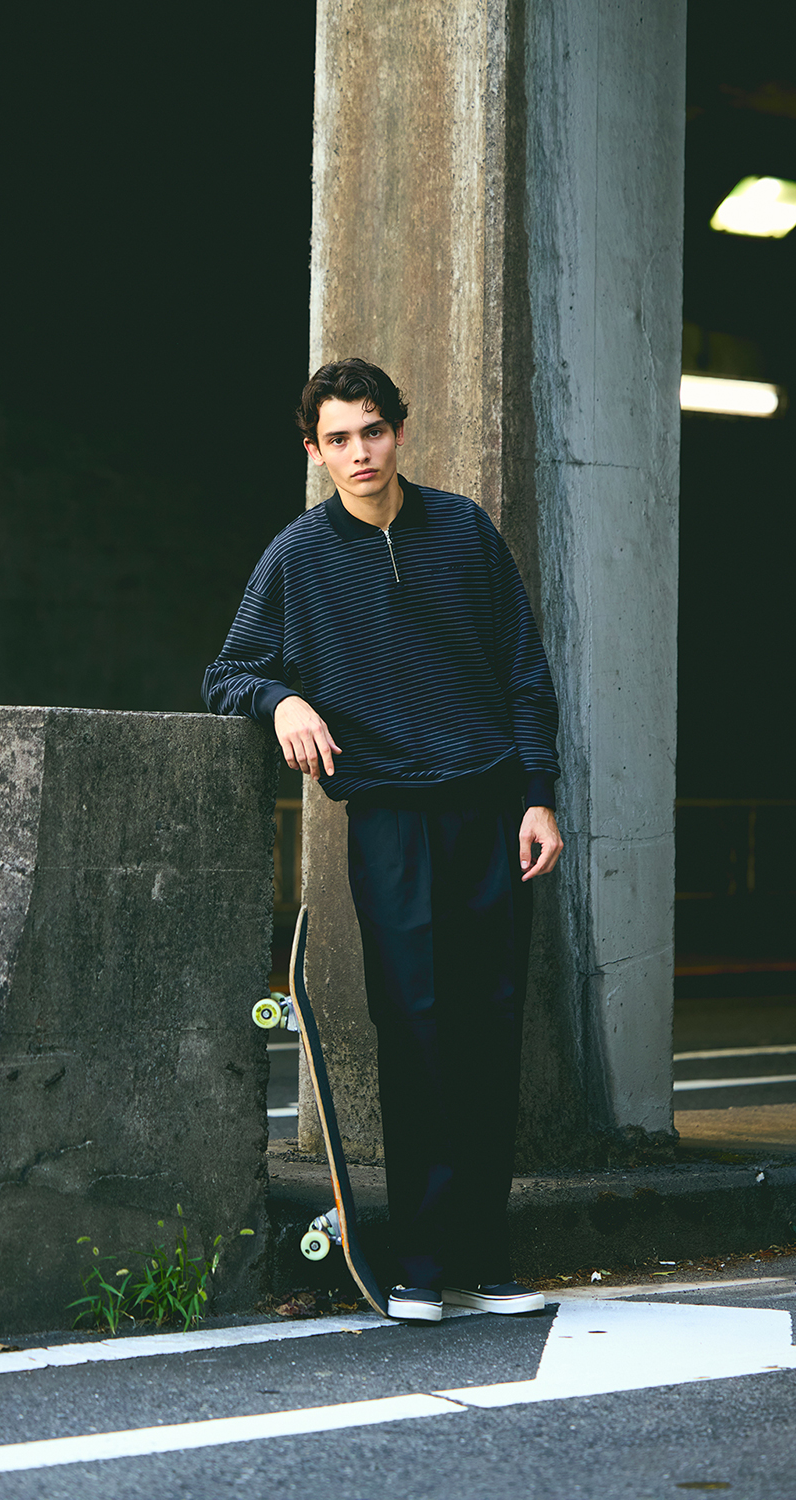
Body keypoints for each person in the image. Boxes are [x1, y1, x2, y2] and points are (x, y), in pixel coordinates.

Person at [204, 358, 563, 1322]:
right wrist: (280, 699)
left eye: (373, 430)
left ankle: (485, 1258)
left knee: (490, 1027)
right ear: (314, 451)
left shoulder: (465, 532)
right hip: (391, 820)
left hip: (491, 812)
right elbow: (228, 669)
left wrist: (537, 796)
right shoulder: (298, 557)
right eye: (339, 439)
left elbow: (524, 670)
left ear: (398, 431)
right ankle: (422, 1263)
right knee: (416, 1028)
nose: (359, 452)